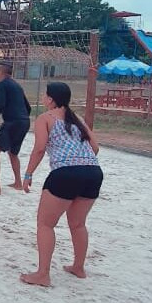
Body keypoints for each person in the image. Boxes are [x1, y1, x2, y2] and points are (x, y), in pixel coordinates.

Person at [20, 81, 103, 287]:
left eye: (45, 95)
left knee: (45, 224)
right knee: (78, 223)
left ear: (50, 99)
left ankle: (43, 274)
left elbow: (39, 149)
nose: (43, 98)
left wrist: (28, 173)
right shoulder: (78, 120)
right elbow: (95, 147)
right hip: (93, 172)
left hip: (65, 173)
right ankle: (78, 267)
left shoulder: (45, 118)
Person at [0, 61, 32, 195]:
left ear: (1, 72)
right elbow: (28, 108)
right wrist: (21, 118)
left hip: (13, 122)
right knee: (13, 152)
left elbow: (0, 105)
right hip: (24, 122)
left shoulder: (1, 85)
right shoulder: (17, 85)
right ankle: (18, 183)